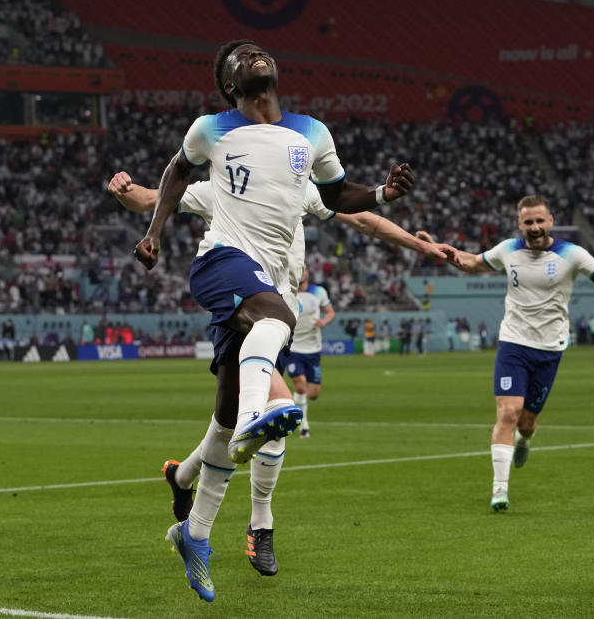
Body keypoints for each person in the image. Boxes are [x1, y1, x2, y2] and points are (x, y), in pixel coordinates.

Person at [130, 39, 432, 601]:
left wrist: (385, 193)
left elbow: (339, 193)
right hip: (221, 263)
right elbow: (173, 175)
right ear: (229, 85)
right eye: (240, 59)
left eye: (259, 52)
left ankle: (193, 533)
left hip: (263, 283)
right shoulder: (211, 128)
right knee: (279, 321)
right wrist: (153, 233)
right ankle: (256, 424)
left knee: (220, 425)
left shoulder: (311, 132)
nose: (254, 57)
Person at [108, 157, 450, 583]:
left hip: (279, 313)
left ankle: (182, 480)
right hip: (244, 305)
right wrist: (124, 190)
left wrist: (423, 247)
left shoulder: (300, 190)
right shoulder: (220, 188)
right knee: (276, 408)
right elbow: (150, 199)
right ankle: (260, 524)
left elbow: (366, 221)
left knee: (225, 424)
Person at [443, 195, 594, 512]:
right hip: (513, 344)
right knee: (508, 413)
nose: (534, 227)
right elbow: (472, 263)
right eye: (527, 222)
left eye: (539, 221)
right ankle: (499, 491)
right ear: (520, 223)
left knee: (527, 423)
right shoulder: (508, 250)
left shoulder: (571, 254)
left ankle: (524, 442)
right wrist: (441, 250)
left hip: (550, 349)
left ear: (550, 220)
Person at [286, 266, 334, 438]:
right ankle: (303, 426)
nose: (301, 271)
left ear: (307, 273)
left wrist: (324, 321)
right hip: (293, 347)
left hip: (313, 349)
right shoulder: (286, 291)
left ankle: (296, 407)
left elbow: (330, 312)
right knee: (299, 384)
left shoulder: (318, 291)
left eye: (304, 269)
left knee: (312, 393)